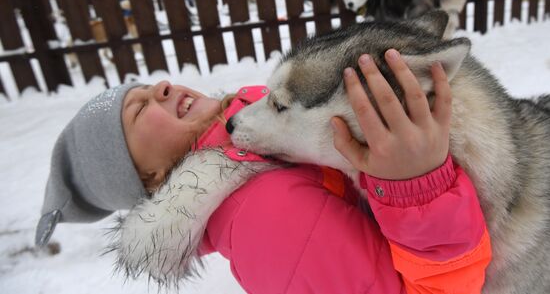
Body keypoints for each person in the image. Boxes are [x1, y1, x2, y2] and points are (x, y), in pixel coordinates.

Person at [36, 49, 491, 294]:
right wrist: (416, 187)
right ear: (152, 178)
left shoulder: (263, 151)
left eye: (148, 87)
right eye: (137, 112)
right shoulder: (265, 218)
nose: (162, 85)